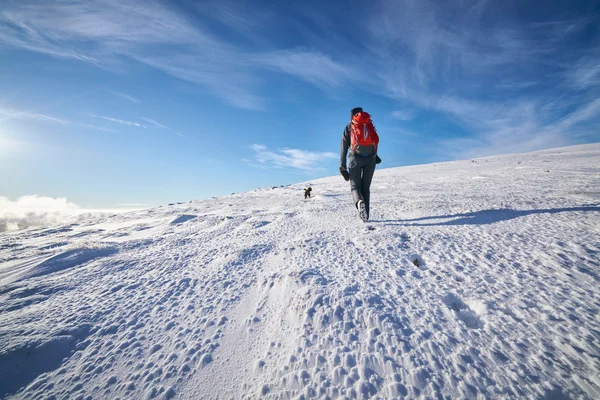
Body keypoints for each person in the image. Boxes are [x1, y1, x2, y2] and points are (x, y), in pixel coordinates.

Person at [339, 107, 379, 221]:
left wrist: (342, 166)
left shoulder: (349, 127)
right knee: (365, 188)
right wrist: (373, 156)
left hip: (355, 159)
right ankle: (366, 216)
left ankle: (359, 201)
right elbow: (376, 141)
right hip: (370, 159)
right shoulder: (369, 125)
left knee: (355, 187)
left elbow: (343, 148)